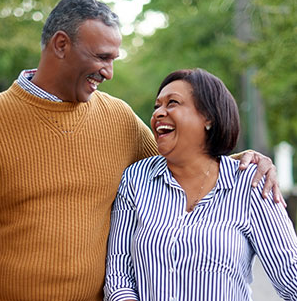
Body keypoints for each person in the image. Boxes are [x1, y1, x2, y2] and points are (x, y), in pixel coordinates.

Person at [0, 0, 281, 301]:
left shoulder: (119, 119)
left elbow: (181, 163)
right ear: (60, 45)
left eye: (114, 58)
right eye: (102, 57)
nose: (109, 72)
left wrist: (241, 161)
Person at [104, 69, 297, 301]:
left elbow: (290, 275)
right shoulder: (136, 179)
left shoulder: (250, 184)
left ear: (209, 118)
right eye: (157, 106)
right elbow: (119, 274)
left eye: (172, 103)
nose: (158, 113)